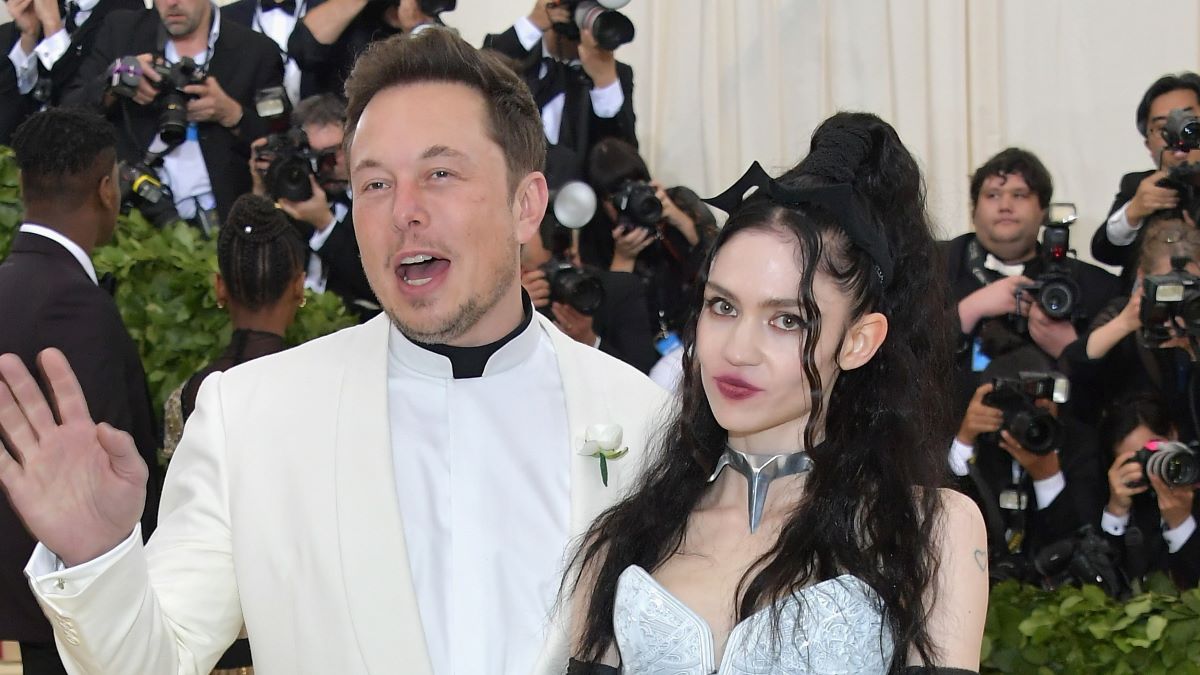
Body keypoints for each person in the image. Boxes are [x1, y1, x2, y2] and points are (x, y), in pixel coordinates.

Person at [0, 28, 666, 675]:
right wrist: (97, 557)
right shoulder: (251, 417)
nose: (403, 210)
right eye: (375, 183)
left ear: (527, 205)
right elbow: (155, 660)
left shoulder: (644, 419)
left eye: (439, 172)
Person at [564, 113, 988, 673]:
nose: (738, 350)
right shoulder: (625, 539)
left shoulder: (932, 530)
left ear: (860, 340)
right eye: (723, 306)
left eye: (787, 320)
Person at [0, 109, 161, 675]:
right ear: (108, 188)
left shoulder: (12, 286)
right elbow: (105, 470)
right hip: (57, 626)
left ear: (22, 186)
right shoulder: (75, 307)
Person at [59, 0, 284, 226]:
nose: (172, 3)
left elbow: (282, 147)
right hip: (131, 217)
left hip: (224, 223)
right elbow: (66, 116)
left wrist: (233, 115)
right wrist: (115, 82)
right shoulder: (122, 31)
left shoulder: (257, 52)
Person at [1063, 215, 1200, 439]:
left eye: (1191, 285)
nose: (1180, 296)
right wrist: (1127, 322)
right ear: (1143, 277)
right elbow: (1073, 369)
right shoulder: (1121, 314)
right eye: (1168, 285)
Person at [251, 92, 378, 320]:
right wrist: (262, 189)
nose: (326, 165)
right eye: (316, 155)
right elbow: (251, 265)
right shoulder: (288, 194)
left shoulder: (379, 198)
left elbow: (374, 285)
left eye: (334, 153)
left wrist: (325, 225)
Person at [483, 0, 636, 186]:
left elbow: (624, 160)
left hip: (581, 204)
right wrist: (532, 23)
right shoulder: (513, 55)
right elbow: (479, 74)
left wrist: (605, 83)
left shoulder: (617, 74)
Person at [580, 137, 717, 337]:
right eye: (617, 197)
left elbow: (721, 263)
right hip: (642, 348)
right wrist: (623, 259)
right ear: (602, 202)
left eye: (636, 186)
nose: (631, 201)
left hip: (695, 331)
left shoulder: (678, 201)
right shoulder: (596, 238)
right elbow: (605, 324)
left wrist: (681, 222)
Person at [520, 213, 659, 374]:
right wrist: (516, 310)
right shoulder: (507, 306)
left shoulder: (617, 290)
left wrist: (589, 340)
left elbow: (642, 378)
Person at [1091, 73, 1200, 276]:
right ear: (1149, 145)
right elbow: (1104, 251)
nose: (1176, 136)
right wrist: (1134, 212)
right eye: (1163, 128)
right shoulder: (1139, 185)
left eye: (1187, 123)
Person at [1, 0, 143, 142]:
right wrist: (29, 37)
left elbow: (77, 102)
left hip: (81, 151)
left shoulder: (128, 17)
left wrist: (53, 28)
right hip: (23, 152)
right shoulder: (43, 11)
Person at [1098, 393, 1200, 589]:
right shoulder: (1134, 506)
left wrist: (1181, 524)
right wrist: (1116, 512)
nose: (1152, 465)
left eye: (1154, 449)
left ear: (1172, 434)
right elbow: (1106, 588)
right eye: (1136, 460)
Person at [288, 0, 448, 99]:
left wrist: (415, 28)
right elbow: (305, 50)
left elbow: (443, 76)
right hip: (335, 123)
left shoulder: (424, 16)